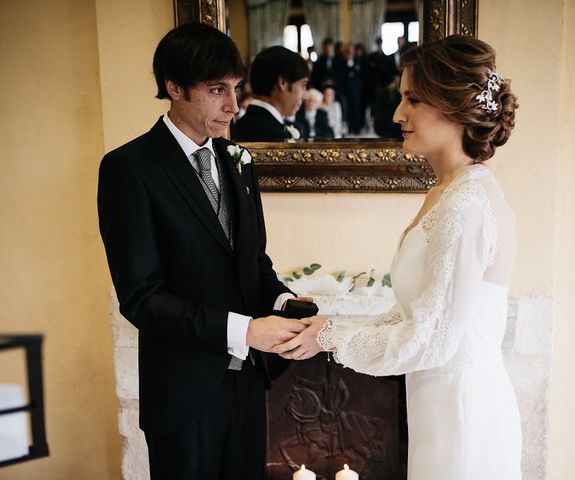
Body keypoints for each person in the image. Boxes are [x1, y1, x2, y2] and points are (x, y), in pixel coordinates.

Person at [275, 35, 521, 479]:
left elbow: (433, 339)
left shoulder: (466, 203)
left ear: (452, 106)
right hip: (437, 405)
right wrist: (331, 325)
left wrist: (331, 338)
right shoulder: (446, 193)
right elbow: (411, 314)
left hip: (462, 415)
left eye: (412, 99)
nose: (397, 114)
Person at [97, 23, 309, 480]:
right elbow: (142, 298)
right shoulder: (128, 169)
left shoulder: (239, 160)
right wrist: (245, 331)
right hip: (182, 392)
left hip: (249, 385)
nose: (233, 106)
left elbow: (254, 263)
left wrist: (283, 303)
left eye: (235, 88)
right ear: (174, 87)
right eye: (217, 90)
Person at [231, 46, 309, 142]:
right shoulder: (274, 135)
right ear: (283, 83)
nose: (305, 96)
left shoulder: (240, 126)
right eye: (303, 85)